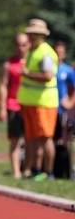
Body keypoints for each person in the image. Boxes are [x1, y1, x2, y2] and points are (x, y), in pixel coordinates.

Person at [17, 19, 58, 181]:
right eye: (30, 34)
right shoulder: (32, 50)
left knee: (45, 138)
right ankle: (36, 169)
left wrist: (27, 74)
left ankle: (48, 172)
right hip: (31, 102)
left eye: (35, 34)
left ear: (42, 35)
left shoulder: (45, 53)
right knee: (32, 137)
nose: (31, 37)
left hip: (44, 102)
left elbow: (48, 76)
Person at [0, 33, 29, 179]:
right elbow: (3, 85)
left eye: (23, 44)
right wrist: (2, 108)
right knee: (15, 140)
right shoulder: (8, 64)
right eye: (18, 44)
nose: (20, 48)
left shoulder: (32, 62)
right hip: (13, 105)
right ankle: (16, 172)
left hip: (30, 105)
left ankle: (28, 170)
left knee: (30, 140)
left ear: (28, 45)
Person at [53, 41, 75, 178]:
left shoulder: (67, 70)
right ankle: (54, 169)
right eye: (56, 51)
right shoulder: (49, 69)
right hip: (49, 108)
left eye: (61, 52)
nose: (58, 54)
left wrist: (70, 103)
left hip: (62, 111)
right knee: (52, 140)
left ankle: (66, 169)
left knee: (65, 140)